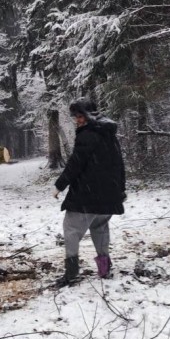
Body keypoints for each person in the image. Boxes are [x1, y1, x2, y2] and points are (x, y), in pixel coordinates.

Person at [53, 99, 126, 286]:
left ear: (89, 115)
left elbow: (75, 164)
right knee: (100, 228)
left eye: (79, 116)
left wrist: (60, 185)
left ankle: (71, 273)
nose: (77, 120)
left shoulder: (88, 135)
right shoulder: (109, 134)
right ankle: (104, 269)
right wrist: (120, 190)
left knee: (71, 230)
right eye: (75, 117)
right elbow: (119, 164)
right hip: (108, 195)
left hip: (88, 195)